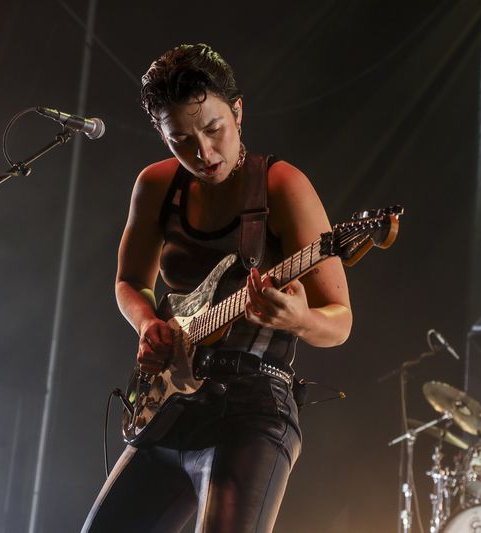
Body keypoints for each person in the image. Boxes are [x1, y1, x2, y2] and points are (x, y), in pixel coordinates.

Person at [82, 44, 352, 533]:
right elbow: (129, 282)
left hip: (252, 410)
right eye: (180, 139)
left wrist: (301, 320)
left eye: (213, 130)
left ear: (239, 112)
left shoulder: (282, 186)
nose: (202, 154)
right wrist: (148, 326)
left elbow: (340, 320)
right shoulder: (156, 186)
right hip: (169, 405)